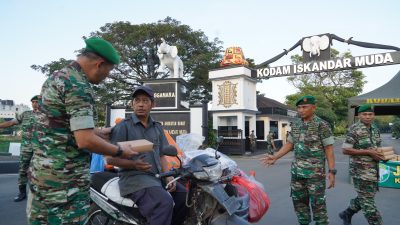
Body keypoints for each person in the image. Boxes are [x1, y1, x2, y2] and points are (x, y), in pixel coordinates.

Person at [27, 37, 138, 225]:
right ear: (99, 64)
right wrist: (120, 151)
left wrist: (98, 131)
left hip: (42, 176)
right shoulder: (78, 86)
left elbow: (58, 125)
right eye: (108, 71)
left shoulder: (57, 77)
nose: (107, 77)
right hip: (65, 184)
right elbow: (85, 141)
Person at [107, 85, 187, 225]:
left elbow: (162, 155)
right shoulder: (123, 126)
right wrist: (133, 164)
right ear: (132, 104)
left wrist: (168, 176)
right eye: (137, 101)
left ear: (153, 104)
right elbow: (110, 158)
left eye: (145, 101)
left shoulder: (157, 127)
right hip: (135, 179)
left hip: (157, 177)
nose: (141, 104)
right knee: (164, 202)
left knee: (183, 195)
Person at [261, 95, 336, 225]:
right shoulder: (296, 125)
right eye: (299, 107)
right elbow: (290, 144)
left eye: (304, 107)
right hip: (297, 174)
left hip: (315, 175)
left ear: (313, 108)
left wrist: (332, 171)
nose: (301, 110)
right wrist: (275, 157)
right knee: (299, 205)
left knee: (318, 206)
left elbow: (329, 149)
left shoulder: (322, 125)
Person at [339, 104, 384, 225]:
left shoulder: (375, 129)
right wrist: (368, 152)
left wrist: (383, 156)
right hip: (361, 172)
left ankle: (347, 213)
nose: (368, 117)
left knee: (366, 197)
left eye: (370, 114)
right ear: (359, 115)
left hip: (374, 170)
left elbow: (378, 148)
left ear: (373, 115)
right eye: (364, 114)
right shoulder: (354, 129)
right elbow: (345, 150)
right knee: (368, 203)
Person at [0, 95, 40, 202]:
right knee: (23, 169)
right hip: (26, 148)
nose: (34, 104)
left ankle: (39, 194)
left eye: (37, 101)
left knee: (40, 170)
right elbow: (11, 122)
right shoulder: (25, 114)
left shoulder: (47, 115)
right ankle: (22, 193)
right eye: (33, 102)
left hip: (41, 148)